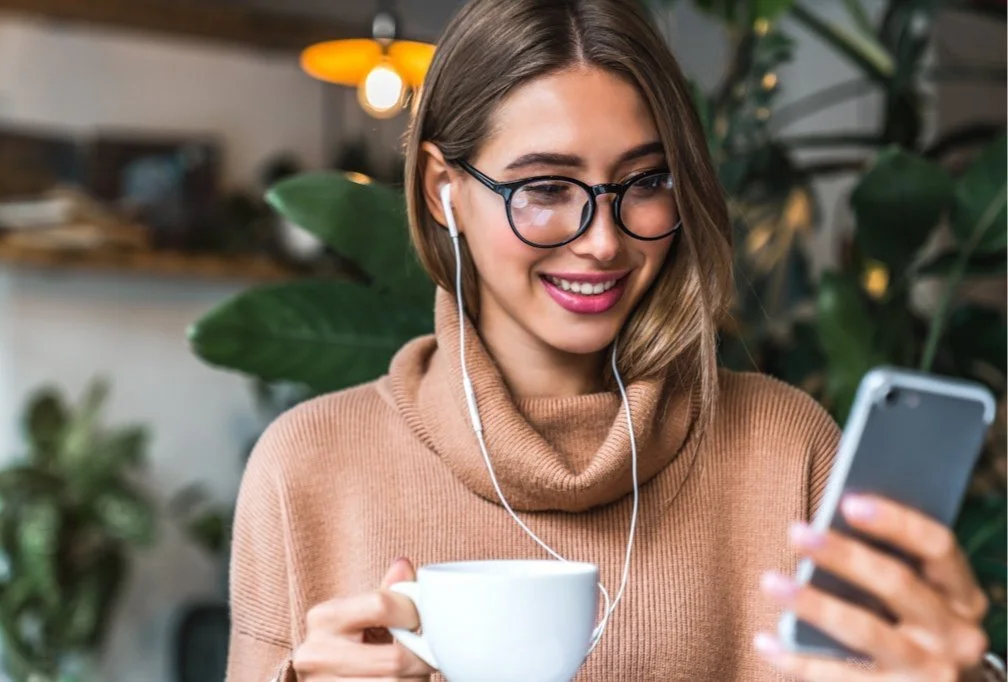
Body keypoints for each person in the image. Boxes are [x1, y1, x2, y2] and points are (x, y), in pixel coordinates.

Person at [226, 1, 1000, 680]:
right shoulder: (309, 469)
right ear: (442, 190)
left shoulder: (785, 448)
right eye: (546, 190)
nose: (602, 242)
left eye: (646, 183)